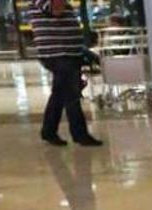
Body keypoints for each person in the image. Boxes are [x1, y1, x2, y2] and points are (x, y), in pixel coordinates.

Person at [30, 0, 102, 147]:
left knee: (60, 94)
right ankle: (80, 134)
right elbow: (56, 9)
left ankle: (49, 131)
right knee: (71, 95)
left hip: (67, 53)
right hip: (58, 53)